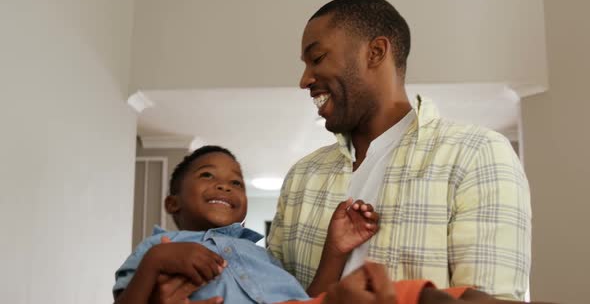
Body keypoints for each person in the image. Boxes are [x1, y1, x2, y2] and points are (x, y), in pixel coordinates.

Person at [268, 0, 531, 300]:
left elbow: (490, 297)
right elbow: (269, 295)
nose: (304, 79)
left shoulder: (477, 154)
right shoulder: (301, 177)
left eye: (317, 58)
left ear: (376, 52)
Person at [112, 145, 537, 304]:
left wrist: (336, 249)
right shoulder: (160, 245)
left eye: (236, 180)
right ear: (172, 201)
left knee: (434, 296)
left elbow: (310, 296)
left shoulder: (257, 253)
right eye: (207, 175)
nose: (224, 183)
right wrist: (156, 261)